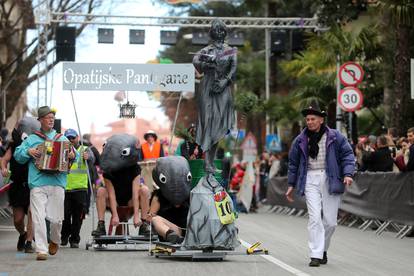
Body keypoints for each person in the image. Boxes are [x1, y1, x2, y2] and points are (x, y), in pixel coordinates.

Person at [285, 102, 355, 267]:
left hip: (330, 178)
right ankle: (315, 254)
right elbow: (293, 164)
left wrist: (348, 174)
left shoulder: (335, 136)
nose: (309, 122)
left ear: (321, 120)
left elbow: (347, 155)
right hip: (309, 179)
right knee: (315, 218)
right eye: (307, 119)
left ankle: (322, 248)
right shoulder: (300, 140)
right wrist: (291, 184)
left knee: (330, 222)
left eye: (313, 119)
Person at [14, 106, 76, 261]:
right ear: (40, 120)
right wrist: (28, 152)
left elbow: (73, 156)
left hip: (57, 181)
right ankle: (41, 249)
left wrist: (72, 155)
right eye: (48, 117)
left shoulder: (61, 139)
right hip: (37, 182)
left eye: (52, 118)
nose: (51, 120)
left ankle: (54, 239)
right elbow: (17, 155)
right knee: (38, 216)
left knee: (56, 219)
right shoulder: (32, 139)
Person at [193, 18, 237, 174]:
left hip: (223, 90)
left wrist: (224, 82)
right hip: (207, 88)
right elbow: (195, 60)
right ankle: (207, 163)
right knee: (208, 123)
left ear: (224, 33)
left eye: (221, 30)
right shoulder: (206, 49)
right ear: (212, 33)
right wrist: (206, 64)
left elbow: (233, 69)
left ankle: (210, 162)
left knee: (218, 125)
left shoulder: (230, 50)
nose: (218, 32)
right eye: (215, 30)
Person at [91, 134, 151, 237]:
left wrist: (136, 216)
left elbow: (135, 194)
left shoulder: (134, 167)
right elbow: (111, 194)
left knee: (144, 190)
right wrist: (115, 215)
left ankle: (144, 224)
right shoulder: (108, 169)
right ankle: (101, 225)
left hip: (130, 200)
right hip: (114, 200)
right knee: (101, 191)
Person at [1, 118, 40, 253]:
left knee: (31, 213)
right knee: (17, 220)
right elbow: (4, 160)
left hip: (32, 185)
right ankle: (23, 234)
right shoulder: (14, 144)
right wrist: (4, 168)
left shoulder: (38, 144)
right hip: (17, 185)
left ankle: (29, 243)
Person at [61, 129, 94, 248]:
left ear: (77, 138)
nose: (70, 140)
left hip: (80, 188)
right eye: (68, 138)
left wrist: (88, 157)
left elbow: (92, 160)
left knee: (78, 216)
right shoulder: (62, 150)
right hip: (65, 188)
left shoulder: (85, 149)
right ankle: (64, 235)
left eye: (72, 138)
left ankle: (74, 238)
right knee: (64, 215)